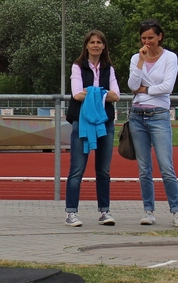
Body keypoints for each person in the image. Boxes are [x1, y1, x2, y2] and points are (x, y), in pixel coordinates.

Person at [64, 30, 120, 227]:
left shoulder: (108, 69)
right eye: (92, 42)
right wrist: (103, 94)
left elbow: (116, 95)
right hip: (82, 121)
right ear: (86, 46)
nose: (95, 45)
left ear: (104, 46)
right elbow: (77, 94)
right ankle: (71, 212)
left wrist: (94, 92)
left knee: (103, 170)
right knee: (77, 169)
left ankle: (104, 211)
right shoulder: (78, 67)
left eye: (99, 42)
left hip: (105, 122)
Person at [127, 19, 178, 226]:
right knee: (144, 168)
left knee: (166, 167)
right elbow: (132, 85)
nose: (147, 42)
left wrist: (145, 89)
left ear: (160, 37)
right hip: (137, 115)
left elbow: (167, 87)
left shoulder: (170, 58)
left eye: (150, 37)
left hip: (159, 115)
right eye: (143, 38)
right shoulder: (136, 58)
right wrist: (141, 61)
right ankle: (148, 211)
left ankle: (175, 210)